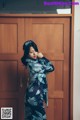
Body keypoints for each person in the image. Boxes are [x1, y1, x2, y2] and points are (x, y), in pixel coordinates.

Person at [21, 40, 55, 120]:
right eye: (31, 52)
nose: (34, 54)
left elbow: (48, 68)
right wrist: (42, 57)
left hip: (36, 95)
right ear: (27, 54)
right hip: (34, 96)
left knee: (31, 118)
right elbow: (51, 68)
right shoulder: (31, 64)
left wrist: (41, 59)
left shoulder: (37, 62)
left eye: (35, 51)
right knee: (40, 118)